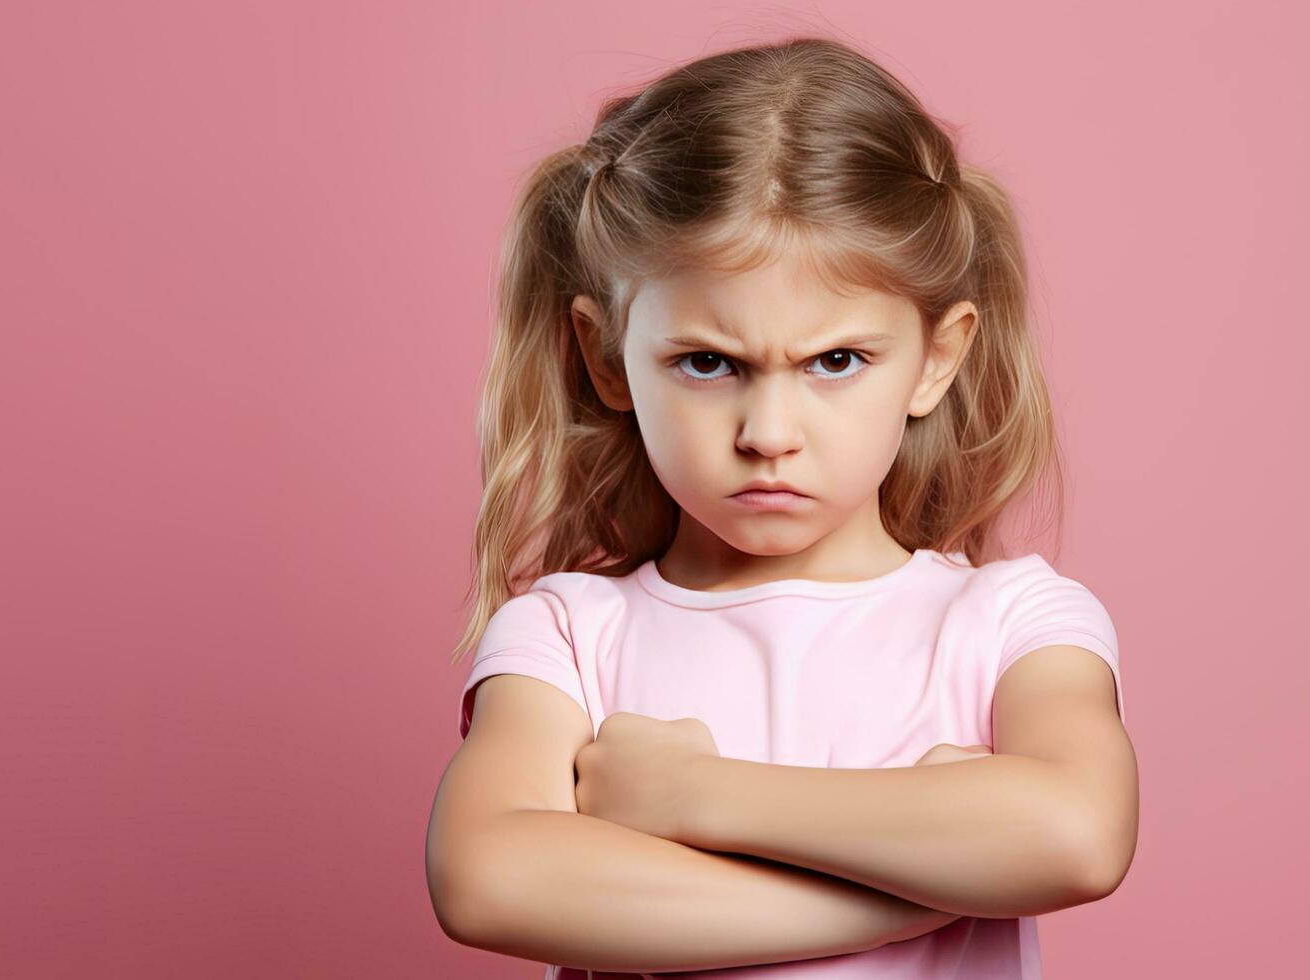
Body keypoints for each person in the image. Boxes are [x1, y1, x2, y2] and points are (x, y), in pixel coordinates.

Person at [426, 35, 1136, 979]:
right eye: (707, 363)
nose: (768, 431)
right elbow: (489, 881)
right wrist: (918, 891)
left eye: (834, 362)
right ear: (606, 360)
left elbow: (1075, 835)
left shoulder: (1012, 624)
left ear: (937, 358)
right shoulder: (565, 638)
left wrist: (696, 797)